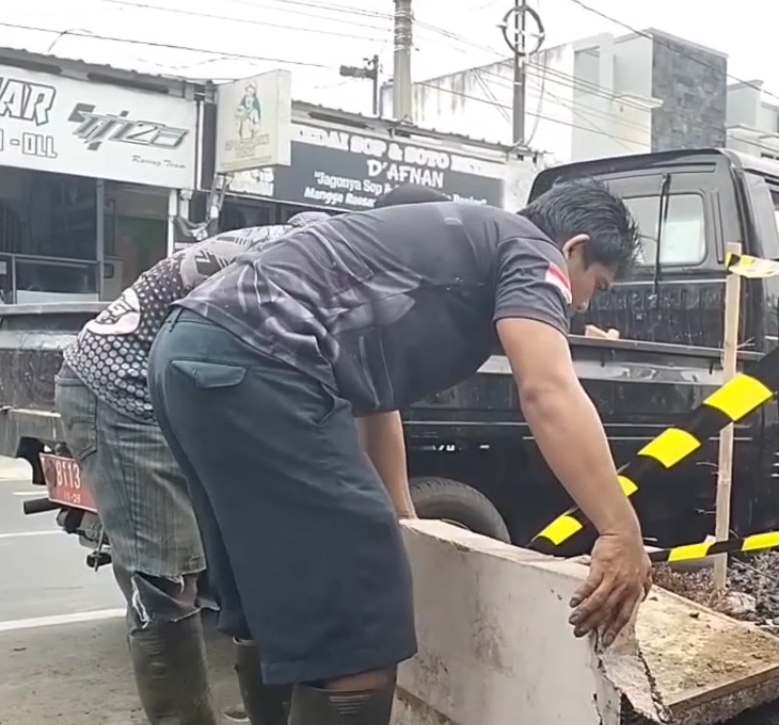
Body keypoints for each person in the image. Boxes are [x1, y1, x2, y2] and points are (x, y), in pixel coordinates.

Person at [147, 178, 652, 725]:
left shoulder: (450, 240)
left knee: (274, 598)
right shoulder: (532, 251)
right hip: (262, 363)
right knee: (363, 619)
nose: (579, 306)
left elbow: (374, 399)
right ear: (573, 249)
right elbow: (548, 391)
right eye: (595, 286)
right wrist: (621, 533)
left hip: (190, 353)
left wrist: (401, 515)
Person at [53, 185, 450, 725]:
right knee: (166, 578)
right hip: (121, 388)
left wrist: (402, 513)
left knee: (256, 562)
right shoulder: (326, 256)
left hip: (197, 389)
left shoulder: (348, 262)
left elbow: (376, 400)